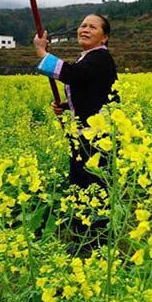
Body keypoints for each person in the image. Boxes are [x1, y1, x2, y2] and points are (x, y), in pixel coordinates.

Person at [34, 14, 118, 189]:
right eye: (83, 25)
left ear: (105, 37)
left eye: (92, 27)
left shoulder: (100, 58)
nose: (85, 30)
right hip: (86, 135)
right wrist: (66, 106)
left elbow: (74, 75)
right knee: (82, 185)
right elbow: (90, 90)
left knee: (92, 186)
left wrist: (42, 53)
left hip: (97, 138)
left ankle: (93, 216)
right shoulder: (90, 57)